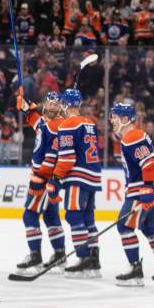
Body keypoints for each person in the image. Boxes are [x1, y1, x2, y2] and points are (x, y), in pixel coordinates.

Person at [109, 102, 154, 287]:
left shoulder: (133, 136)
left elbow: (149, 162)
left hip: (143, 190)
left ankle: (135, 269)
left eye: (114, 117)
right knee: (150, 229)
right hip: (152, 189)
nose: (111, 120)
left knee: (124, 226)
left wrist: (146, 191)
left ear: (124, 119)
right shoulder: (131, 137)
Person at [10, 91, 67, 279]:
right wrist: (27, 108)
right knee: (51, 217)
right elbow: (37, 123)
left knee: (29, 215)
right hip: (49, 178)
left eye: (55, 104)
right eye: (49, 103)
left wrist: (40, 179)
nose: (52, 106)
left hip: (44, 178)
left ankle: (35, 255)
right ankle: (60, 254)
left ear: (60, 107)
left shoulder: (56, 126)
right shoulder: (47, 123)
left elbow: (52, 156)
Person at [50, 88, 103, 279]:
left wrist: (55, 178)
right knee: (88, 219)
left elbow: (67, 157)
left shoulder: (67, 124)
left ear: (65, 105)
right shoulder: (89, 122)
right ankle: (94, 260)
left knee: (73, 217)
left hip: (77, 177)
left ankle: (83, 258)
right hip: (93, 175)